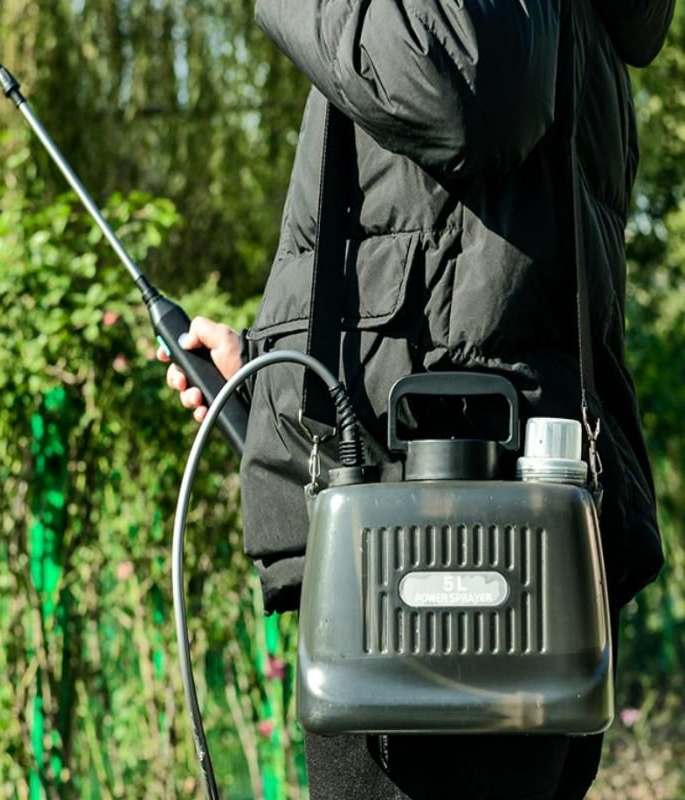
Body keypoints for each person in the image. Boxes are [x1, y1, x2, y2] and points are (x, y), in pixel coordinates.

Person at [159, 1, 675, 797]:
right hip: (469, 509)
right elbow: (459, 253)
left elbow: (462, 84)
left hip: (434, 539)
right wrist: (278, 370)